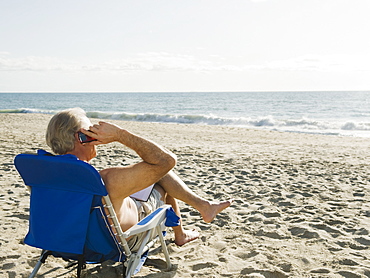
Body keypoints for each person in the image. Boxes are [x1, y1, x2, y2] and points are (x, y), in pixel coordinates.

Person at [46, 108, 232, 248]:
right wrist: (119, 134)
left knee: (148, 174)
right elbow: (167, 160)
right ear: (82, 138)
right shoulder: (105, 180)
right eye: (91, 131)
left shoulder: (45, 175)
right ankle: (185, 229)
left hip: (68, 242)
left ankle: (203, 207)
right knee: (160, 173)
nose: (95, 133)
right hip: (120, 241)